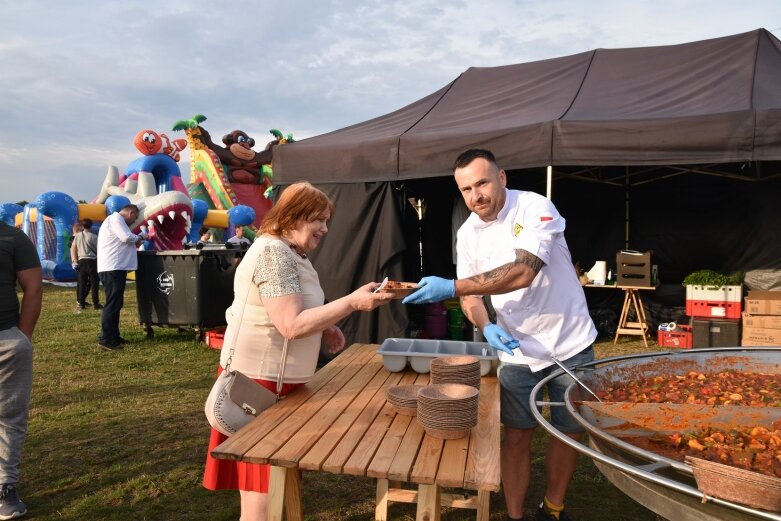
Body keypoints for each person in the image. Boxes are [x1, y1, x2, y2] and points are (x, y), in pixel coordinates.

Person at [402, 149, 597, 521]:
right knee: (517, 433)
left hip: (569, 341)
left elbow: (524, 271)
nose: (476, 195)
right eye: (466, 189)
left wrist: (453, 286)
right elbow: (474, 298)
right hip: (517, 350)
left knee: (568, 431)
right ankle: (514, 515)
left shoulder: (536, 208)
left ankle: (553, 507)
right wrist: (484, 324)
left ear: (502, 178)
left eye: (482, 183)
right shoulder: (467, 234)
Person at [203, 182, 392, 521]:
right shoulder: (275, 254)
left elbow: (288, 308)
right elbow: (289, 323)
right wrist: (351, 303)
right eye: (318, 219)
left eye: (326, 220)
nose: (324, 228)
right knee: (262, 495)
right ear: (292, 217)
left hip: (271, 385)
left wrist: (325, 324)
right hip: (257, 389)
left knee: (270, 487)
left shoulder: (289, 252)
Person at [0, 220, 42, 519]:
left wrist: (22, 338)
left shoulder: (13, 236)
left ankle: (4, 487)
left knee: (8, 417)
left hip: (6, 343)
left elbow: (33, 286)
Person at [96, 204, 147, 351]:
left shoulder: (115, 220)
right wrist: (141, 236)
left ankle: (114, 336)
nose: (134, 221)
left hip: (115, 268)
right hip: (113, 268)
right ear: (131, 213)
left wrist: (136, 239)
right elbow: (126, 237)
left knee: (116, 303)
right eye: (135, 218)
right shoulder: (115, 219)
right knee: (112, 303)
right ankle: (106, 339)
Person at [71, 219, 102, 310]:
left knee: (82, 283)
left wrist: (74, 260)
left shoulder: (77, 236)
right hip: (92, 261)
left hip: (81, 261)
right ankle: (95, 303)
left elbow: (73, 248)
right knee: (94, 283)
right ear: (91, 225)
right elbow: (99, 249)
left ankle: (81, 303)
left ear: (82, 226)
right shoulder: (94, 236)